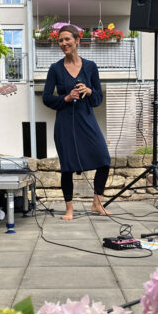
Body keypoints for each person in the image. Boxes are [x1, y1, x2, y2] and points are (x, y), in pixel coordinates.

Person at [42, 25, 112, 220]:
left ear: (77, 40)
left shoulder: (91, 66)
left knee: (104, 159)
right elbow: (46, 98)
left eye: (67, 39)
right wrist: (65, 98)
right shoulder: (55, 68)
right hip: (64, 122)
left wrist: (89, 91)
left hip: (87, 119)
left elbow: (98, 99)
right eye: (60, 41)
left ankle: (97, 203)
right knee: (67, 166)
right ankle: (69, 209)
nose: (63, 43)